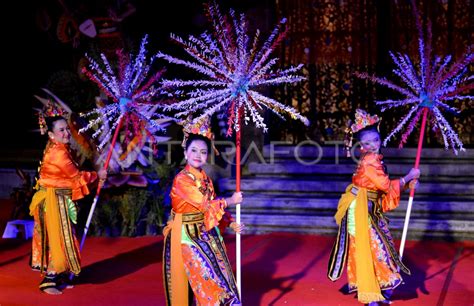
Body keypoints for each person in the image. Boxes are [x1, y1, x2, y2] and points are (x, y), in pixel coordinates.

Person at [328, 109, 421, 305]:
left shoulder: (375, 160)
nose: (373, 145)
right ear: (361, 146)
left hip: (366, 206)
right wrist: (408, 177)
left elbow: (382, 190)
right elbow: (386, 186)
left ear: (380, 139)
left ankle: (376, 289)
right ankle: (372, 292)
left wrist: (406, 184)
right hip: (360, 209)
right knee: (373, 247)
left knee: (373, 246)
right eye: (367, 143)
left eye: (376, 140)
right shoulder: (370, 161)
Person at [163, 118, 243, 306]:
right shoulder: (182, 180)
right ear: (185, 152)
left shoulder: (205, 178)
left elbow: (213, 204)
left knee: (220, 275)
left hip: (204, 233)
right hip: (186, 236)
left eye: (203, 152)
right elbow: (204, 204)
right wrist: (231, 200)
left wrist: (230, 223)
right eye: (194, 150)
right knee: (206, 277)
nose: (198, 155)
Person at [29, 110, 107, 295]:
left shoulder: (58, 147)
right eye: (61, 130)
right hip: (54, 201)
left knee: (61, 238)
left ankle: (59, 276)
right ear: (50, 134)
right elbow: (75, 177)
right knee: (61, 240)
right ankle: (49, 280)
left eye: (67, 129)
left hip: (57, 199)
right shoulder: (58, 153)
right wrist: (98, 175)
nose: (66, 133)